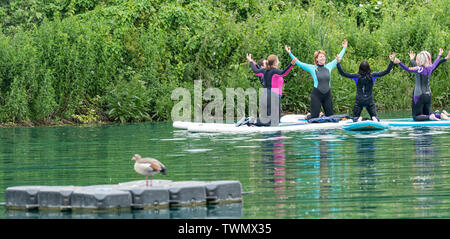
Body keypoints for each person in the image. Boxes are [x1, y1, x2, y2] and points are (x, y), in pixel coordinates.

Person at [285, 40, 348, 119]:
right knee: (314, 117)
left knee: (331, 117)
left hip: (327, 95)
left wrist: (344, 48)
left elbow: (338, 58)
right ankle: (308, 116)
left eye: (323, 56)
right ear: (317, 59)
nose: (323, 58)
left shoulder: (329, 66)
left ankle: (322, 115)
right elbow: (299, 63)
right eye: (320, 56)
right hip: (316, 95)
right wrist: (290, 53)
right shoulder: (312, 68)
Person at [336, 53, 395, 122]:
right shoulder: (373, 76)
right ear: (369, 68)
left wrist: (338, 63)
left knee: (354, 118)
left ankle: (358, 118)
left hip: (359, 101)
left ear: (360, 68)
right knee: (375, 117)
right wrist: (391, 62)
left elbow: (343, 73)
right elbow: (386, 71)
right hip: (369, 101)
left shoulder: (356, 76)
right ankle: (374, 118)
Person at [241, 53, 297, 126]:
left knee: (270, 120)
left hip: (265, 95)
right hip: (273, 96)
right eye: (278, 60)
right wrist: (291, 64)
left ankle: (251, 121)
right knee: (273, 121)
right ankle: (250, 120)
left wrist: (250, 61)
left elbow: (255, 70)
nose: (279, 62)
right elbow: (284, 73)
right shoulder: (274, 71)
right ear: (275, 62)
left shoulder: (264, 71)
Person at [394, 48, 449, 121]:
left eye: (417, 59)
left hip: (419, 95)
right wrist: (439, 55)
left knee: (416, 116)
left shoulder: (418, 69)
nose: (416, 61)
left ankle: (431, 117)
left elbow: (407, 68)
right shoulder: (430, 68)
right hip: (428, 95)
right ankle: (440, 115)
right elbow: (436, 62)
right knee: (427, 114)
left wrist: (399, 62)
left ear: (420, 61)